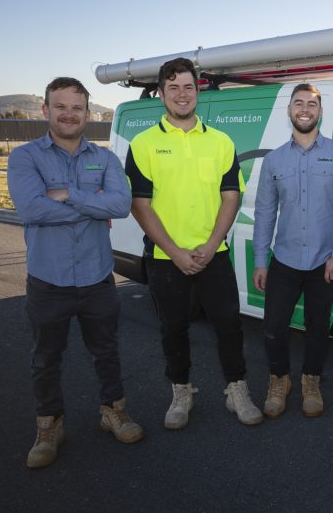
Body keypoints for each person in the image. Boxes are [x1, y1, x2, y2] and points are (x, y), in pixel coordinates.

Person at [7, 77, 143, 469]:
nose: (69, 114)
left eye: (77, 107)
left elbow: (119, 205)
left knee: (107, 352)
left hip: (98, 278)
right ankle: (49, 425)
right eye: (61, 106)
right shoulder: (26, 157)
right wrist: (92, 203)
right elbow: (32, 210)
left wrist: (67, 194)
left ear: (87, 113)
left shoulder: (106, 158)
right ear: (46, 110)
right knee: (46, 358)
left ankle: (113, 412)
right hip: (48, 282)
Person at [126, 57, 262, 428]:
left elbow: (231, 196)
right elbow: (140, 204)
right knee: (173, 327)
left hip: (213, 253)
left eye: (188, 86)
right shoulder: (143, 143)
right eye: (173, 88)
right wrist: (175, 252)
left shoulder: (220, 141)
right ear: (161, 94)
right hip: (164, 256)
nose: (182, 95)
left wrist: (211, 243)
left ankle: (236, 389)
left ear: (197, 90)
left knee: (229, 325)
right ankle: (181, 390)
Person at [252, 83, 333, 418]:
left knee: (317, 327)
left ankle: (311, 382)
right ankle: (279, 380)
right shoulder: (274, 160)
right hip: (284, 259)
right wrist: (261, 261)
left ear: (320, 111)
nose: (305, 109)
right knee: (273, 326)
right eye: (298, 103)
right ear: (289, 110)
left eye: (311, 104)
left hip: (325, 261)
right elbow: (264, 212)